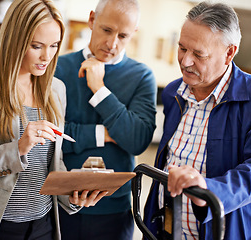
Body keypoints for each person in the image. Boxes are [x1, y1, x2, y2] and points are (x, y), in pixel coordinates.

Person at [0, 0, 106, 239]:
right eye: (36, 45)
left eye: (54, 46)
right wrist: (17, 148)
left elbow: (52, 162)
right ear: (15, 40)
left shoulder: (56, 89)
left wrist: (72, 194)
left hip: (44, 225)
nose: (46, 56)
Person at [144, 2, 251, 240]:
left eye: (198, 54)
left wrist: (209, 190)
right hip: (168, 230)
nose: (185, 61)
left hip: (227, 232)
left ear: (229, 52)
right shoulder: (173, 93)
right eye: (181, 48)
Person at [54, 0, 157, 239]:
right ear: (92, 20)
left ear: (134, 34)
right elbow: (51, 137)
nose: (112, 44)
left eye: (123, 36)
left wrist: (99, 89)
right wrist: (107, 134)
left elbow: (137, 140)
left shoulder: (142, 76)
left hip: (115, 210)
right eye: (107, 30)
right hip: (60, 203)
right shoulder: (58, 68)